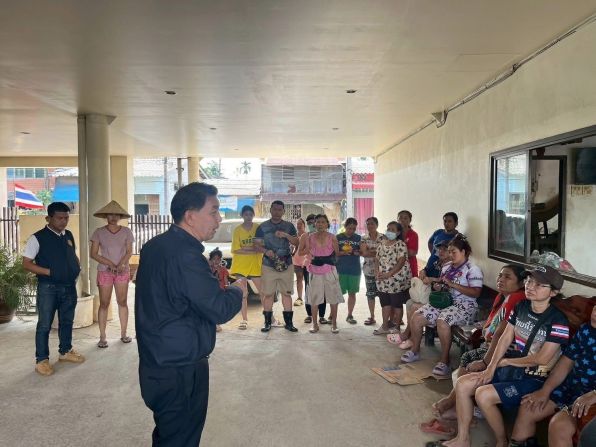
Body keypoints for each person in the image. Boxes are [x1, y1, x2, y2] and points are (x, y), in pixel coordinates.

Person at [135, 182, 243, 446]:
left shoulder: (155, 246)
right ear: (190, 216)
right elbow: (218, 308)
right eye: (214, 211)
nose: (219, 219)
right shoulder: (186, 255)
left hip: (156, 360)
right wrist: (238, 289)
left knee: (169, 434)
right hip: (180, 367)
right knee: (181, 438)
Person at [443, 265, 569, 447]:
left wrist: (506, 361)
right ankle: (463, 439)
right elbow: (505, 337)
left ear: (554, 292)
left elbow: (542, 358)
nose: (530, 286)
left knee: (483, 395)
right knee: (463, 384)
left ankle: (501, 441)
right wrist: (491, 367)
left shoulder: (558, 321)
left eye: (539, 285)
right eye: (529, 281)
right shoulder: (521, 306)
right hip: (513, 369)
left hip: (535, 378)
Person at [422, 264, 526, 427]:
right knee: (467, 359)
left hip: (505, 351)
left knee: (469, 360)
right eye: (500, 275)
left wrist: (485, 361)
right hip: (491, 344)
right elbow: (494, 324)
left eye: (507, 277)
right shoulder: (503, 296)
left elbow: (501, 334)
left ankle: (453, 403)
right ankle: (457, 404)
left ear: (520, 283)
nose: (501, 279)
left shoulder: (517, 299)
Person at [509, 304, 595, 447]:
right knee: (528, 408)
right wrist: (545, 390)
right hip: (570, 388)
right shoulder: (585, 330)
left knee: (559, 425)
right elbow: (566, 363)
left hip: (590, 400)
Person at [401, 234, 483, 377]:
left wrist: (453, 285)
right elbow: (443, 283)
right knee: (417, 316)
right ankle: (415, 351)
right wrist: (439, 286)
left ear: (463, 252)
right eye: (449, 252)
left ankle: (445, 361)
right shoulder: (447, 267)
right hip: (445, 302)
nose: (450, 255)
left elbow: (476, 293)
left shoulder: (472, 269)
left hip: (465, 306)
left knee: (442, 321)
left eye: (453, 252)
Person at [22, 202, 84, 376]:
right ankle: (41, 360)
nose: (63, 221)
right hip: (48, 287)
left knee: (67, 321)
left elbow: (72, 255)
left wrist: (77, 267)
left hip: (68, 286)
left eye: (66, 218)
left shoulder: (68, 235)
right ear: (48, 218)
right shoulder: (37, 238)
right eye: (59, 218)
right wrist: (50, 272)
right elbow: (26, 264)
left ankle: (65, 351)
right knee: (44, 324)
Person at [90, 200, 134, 348]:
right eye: (110, 214)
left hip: (122, 271)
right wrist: (110, 264)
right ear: (105, 216)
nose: (113, 217)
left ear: (120, 216)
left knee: (122, 302)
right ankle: (102, 337)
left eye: (116, 215)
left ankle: (124, 333)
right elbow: (93, 254)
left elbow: (129, 252)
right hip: (104, 271)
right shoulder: (98, 232)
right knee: (104, 303)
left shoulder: (127, 231)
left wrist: (121, 264)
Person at [254, 200, 299, 332]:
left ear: (283, 211)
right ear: (270, 210)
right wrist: (265, 251)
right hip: (268, 265)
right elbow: (256, 245)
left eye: (280, 210)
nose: (277, 212)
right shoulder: (262, 227)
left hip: (286, 264)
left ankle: (289, 323)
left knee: (287, 294)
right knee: (268, 294)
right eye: (274, 209)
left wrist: (286, 235)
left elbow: (297, 242)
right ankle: (267, 323)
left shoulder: (289, 226)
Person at [397, 240, 450, 349]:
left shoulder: (451, 266)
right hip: (431, 294)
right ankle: (411, 335)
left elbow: (444, 282)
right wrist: (423, 272)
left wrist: (432, 279)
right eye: (440, 249)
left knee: (414, 307)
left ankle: (409, 337)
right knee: (409, 303)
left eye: (445, 250)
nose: (441, 252)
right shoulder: (436, 261)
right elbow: (426, 269)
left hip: (440, 298)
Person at [299, 214, 343, 333]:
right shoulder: (310, 237)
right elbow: (302, 252)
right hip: (314, 270)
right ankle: (314, 324)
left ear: (327, 224)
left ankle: (334, 324)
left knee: (333, 298)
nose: (320, 224)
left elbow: (337, 254)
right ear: (315, 224)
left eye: (323, 222)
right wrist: (312, 256)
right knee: (314, 298)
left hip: (330, 270)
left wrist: (331, 261)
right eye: (318, 222)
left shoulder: (332, 237)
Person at [372, 221, 411, 336]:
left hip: (396, 281)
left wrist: (389, 274)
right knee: (385, 303)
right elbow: (377, 259)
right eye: (388, 229)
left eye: (393, 230)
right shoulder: (382, 243)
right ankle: (384, 326)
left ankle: (397, 327)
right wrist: (376, 272)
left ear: (398, 233)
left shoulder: (400, 244)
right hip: (382, 280)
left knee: (397, 304)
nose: (389, 231)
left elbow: (401, 262)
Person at [230, 205, 263, 330]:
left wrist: (245, 248)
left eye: (250, 214)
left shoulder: (258, 228)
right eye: (246, 214)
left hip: (255, 265)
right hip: (240, 266)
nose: (248, 217)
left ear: (253, 215)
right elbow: (235, 249)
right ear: (242, 215)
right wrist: (252, 249)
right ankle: (244, 320)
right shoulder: (237, 230)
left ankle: (270, 317)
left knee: (263, 293)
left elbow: (260, 247)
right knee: (243, 293)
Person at [360, 217, 386, 326]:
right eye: (368, 224)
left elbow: (385, 253)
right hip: (368, 270)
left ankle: (387, 319)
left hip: (382, 271)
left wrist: (370, 250)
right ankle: (372, 316)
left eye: (372, 224)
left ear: (377, 225)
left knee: (384, 294)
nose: (370, 226)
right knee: (370, 294)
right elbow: (363, 253)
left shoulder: (383, 237)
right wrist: (376, 252)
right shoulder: (363, 238)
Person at [301, 214, 328, 324]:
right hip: (309, 266)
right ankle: (309, 315)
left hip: (324, 266)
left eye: (313, 222)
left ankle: (321, 315)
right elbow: (300, 252)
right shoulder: (305, 236)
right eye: (309, 223)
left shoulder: (327, 236)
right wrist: (309, 249)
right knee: (309, 290)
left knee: (323, 290)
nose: (312, 225)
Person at [336, 217, 362, 324]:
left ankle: (350, 315)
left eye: (354, 229)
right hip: (341, 269)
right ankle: (332, 315)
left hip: (354, 270)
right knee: (337, 293)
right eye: (349, 228)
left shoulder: (358, 238)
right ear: (345, 227)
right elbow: (334, 252)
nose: (351, 231)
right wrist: (343, 252)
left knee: (352, 293)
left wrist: (357, 252)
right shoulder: (338, 237)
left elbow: (363, 251)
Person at [423, 212, 459, 278]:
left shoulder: (458, 238)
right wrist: (433, 254)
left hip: (444, 270)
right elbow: (430, 242)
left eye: (450, 221)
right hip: (430, 264)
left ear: (456, 223)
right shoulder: (438, 232)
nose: (446, 224)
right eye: (445, 221)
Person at [398, 210, 419, 278]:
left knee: (411, 283)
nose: (402, 220)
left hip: (410, 266)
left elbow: (412, 253)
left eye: (405, 218)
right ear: (397, 219)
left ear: (410, 220)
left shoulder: (413, 234)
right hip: (395, 267)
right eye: (400, 217)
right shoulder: (394, 233)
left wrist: (395, 251)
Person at [292, 218, 307, 307]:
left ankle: (308, 297)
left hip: (306, 260)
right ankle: (300, 298)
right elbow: (293, 247)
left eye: (300, 224)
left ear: (304, 225)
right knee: (299, 278)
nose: (299, 225)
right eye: (297, 224)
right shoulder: (294, 236)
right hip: (296, 260)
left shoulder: (307, 235)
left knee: (308, 280)